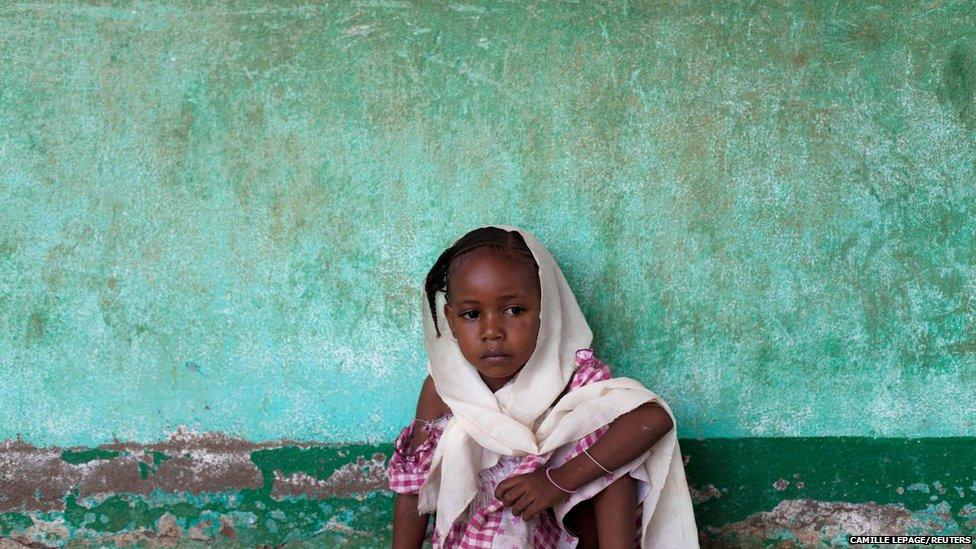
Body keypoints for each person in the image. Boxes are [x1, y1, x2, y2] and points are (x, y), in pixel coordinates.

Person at [389, 225, 699, 548]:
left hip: (562, 534)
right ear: (451, 320)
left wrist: (556, 482)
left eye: (514, 310)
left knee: (616, 464)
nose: (492, 330)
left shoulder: (569, 376)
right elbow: (414, 486)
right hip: (481, 539)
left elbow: (653, 417)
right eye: (471, 314)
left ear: (546, 311)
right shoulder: (444, 389)